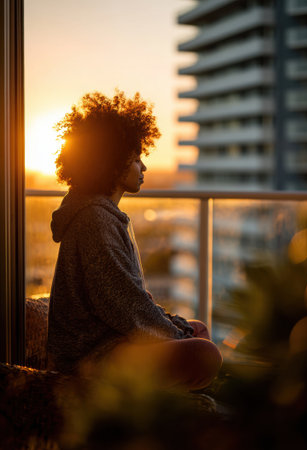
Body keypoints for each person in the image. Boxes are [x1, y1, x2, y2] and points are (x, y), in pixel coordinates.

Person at [47, 90, 222, 390]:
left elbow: (132, 302)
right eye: (137, 159)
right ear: (113, 164)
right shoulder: (94, 222)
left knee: (198, 329)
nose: (144, 168)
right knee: (204, 352)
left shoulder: (103, 215)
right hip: (91, 359)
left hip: (113, 342)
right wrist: (176, 334)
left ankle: (183, 405)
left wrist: (177, 328)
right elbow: (125, 307)